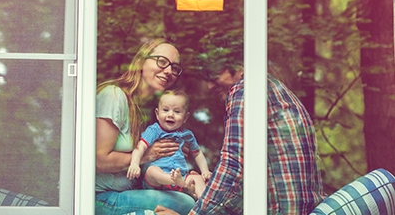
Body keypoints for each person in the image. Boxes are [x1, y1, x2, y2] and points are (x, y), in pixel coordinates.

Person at [154, 33, 326, 215]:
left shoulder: (246, 89)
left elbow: (233, 166)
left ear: (239, 67)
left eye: (214, 75)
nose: (210, 86)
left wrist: (195, 214)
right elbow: (246, 181)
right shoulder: (275, 90)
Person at [95, 38, 195, 215]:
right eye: (162, 61)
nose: (168, 71)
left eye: (175, 68)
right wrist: (147, 155)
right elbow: (98, 160)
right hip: (98, 197)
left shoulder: (152, 111)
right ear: (141, 61)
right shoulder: (114, 96)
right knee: (186, 204)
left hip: (127, 192)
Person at [127, 89, 212, 199]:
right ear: (157, 114)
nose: (170, 115)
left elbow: (197, 153)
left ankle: (204, 203)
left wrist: (205, 170)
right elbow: (140, 147)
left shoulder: (187, 135)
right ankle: (176, 182)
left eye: (177, 112)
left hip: (181, 176)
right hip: (156, 182)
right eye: (166, 110)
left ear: (185, 117)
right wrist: (134, 163)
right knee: (152, 171)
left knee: (198, 178)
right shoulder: (154, 130)